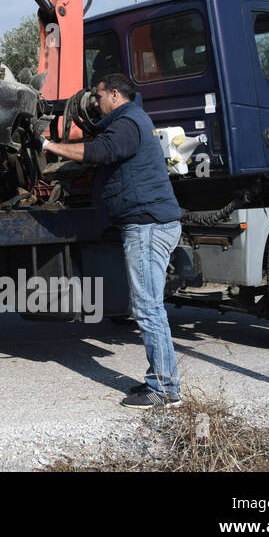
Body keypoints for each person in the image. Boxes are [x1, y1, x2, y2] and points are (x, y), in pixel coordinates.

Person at [38, 72, 183, 408]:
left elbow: (100, 152)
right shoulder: (130, 120)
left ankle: (164, 387)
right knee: (148, 306)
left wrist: (48, 146)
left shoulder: (129, 123)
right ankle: (161, 380)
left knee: (147, 308)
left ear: (114, 94)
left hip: (147, 226)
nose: (95, 102)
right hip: (149, 223)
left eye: (98, 95)